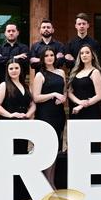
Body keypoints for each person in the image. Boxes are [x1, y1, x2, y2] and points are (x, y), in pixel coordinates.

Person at [0, 58, 36, 200]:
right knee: (8, 159)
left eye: (16, 68)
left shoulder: (25, 85)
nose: (14, 71)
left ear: (20, 69)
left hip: (22, 127)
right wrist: (10, 115)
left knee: (20, 158)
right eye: (11, 68)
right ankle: (7, 193)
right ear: (7, 70)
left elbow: (32, 104)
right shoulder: (4, 85)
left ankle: (20, 195)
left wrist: (28, 114)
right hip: (7, 126)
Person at [31, 47, 66, 188]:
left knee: (56, 148)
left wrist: (62, 98)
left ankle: (51, 182)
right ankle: (45, 183)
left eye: (52, 55)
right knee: (46, 148)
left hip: (59, 113)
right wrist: (53, 95)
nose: (50, 57)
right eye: (46, 55)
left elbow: (64, 91)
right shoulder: (40, 75)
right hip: (45, 114)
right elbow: (36, 97)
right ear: (43, 58)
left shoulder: (61, 72)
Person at [67, 44, 101, 151]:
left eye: (87, 53)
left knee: (92, 144)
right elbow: (69, 92)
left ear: (92, 56)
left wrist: (82, 105)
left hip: (91, 112)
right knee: (78, 144)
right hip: (76, 111)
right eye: (82, 53)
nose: (84, 55)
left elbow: (99, 95)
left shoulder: (95, 72)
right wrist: (79, 102)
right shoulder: (75, 72)